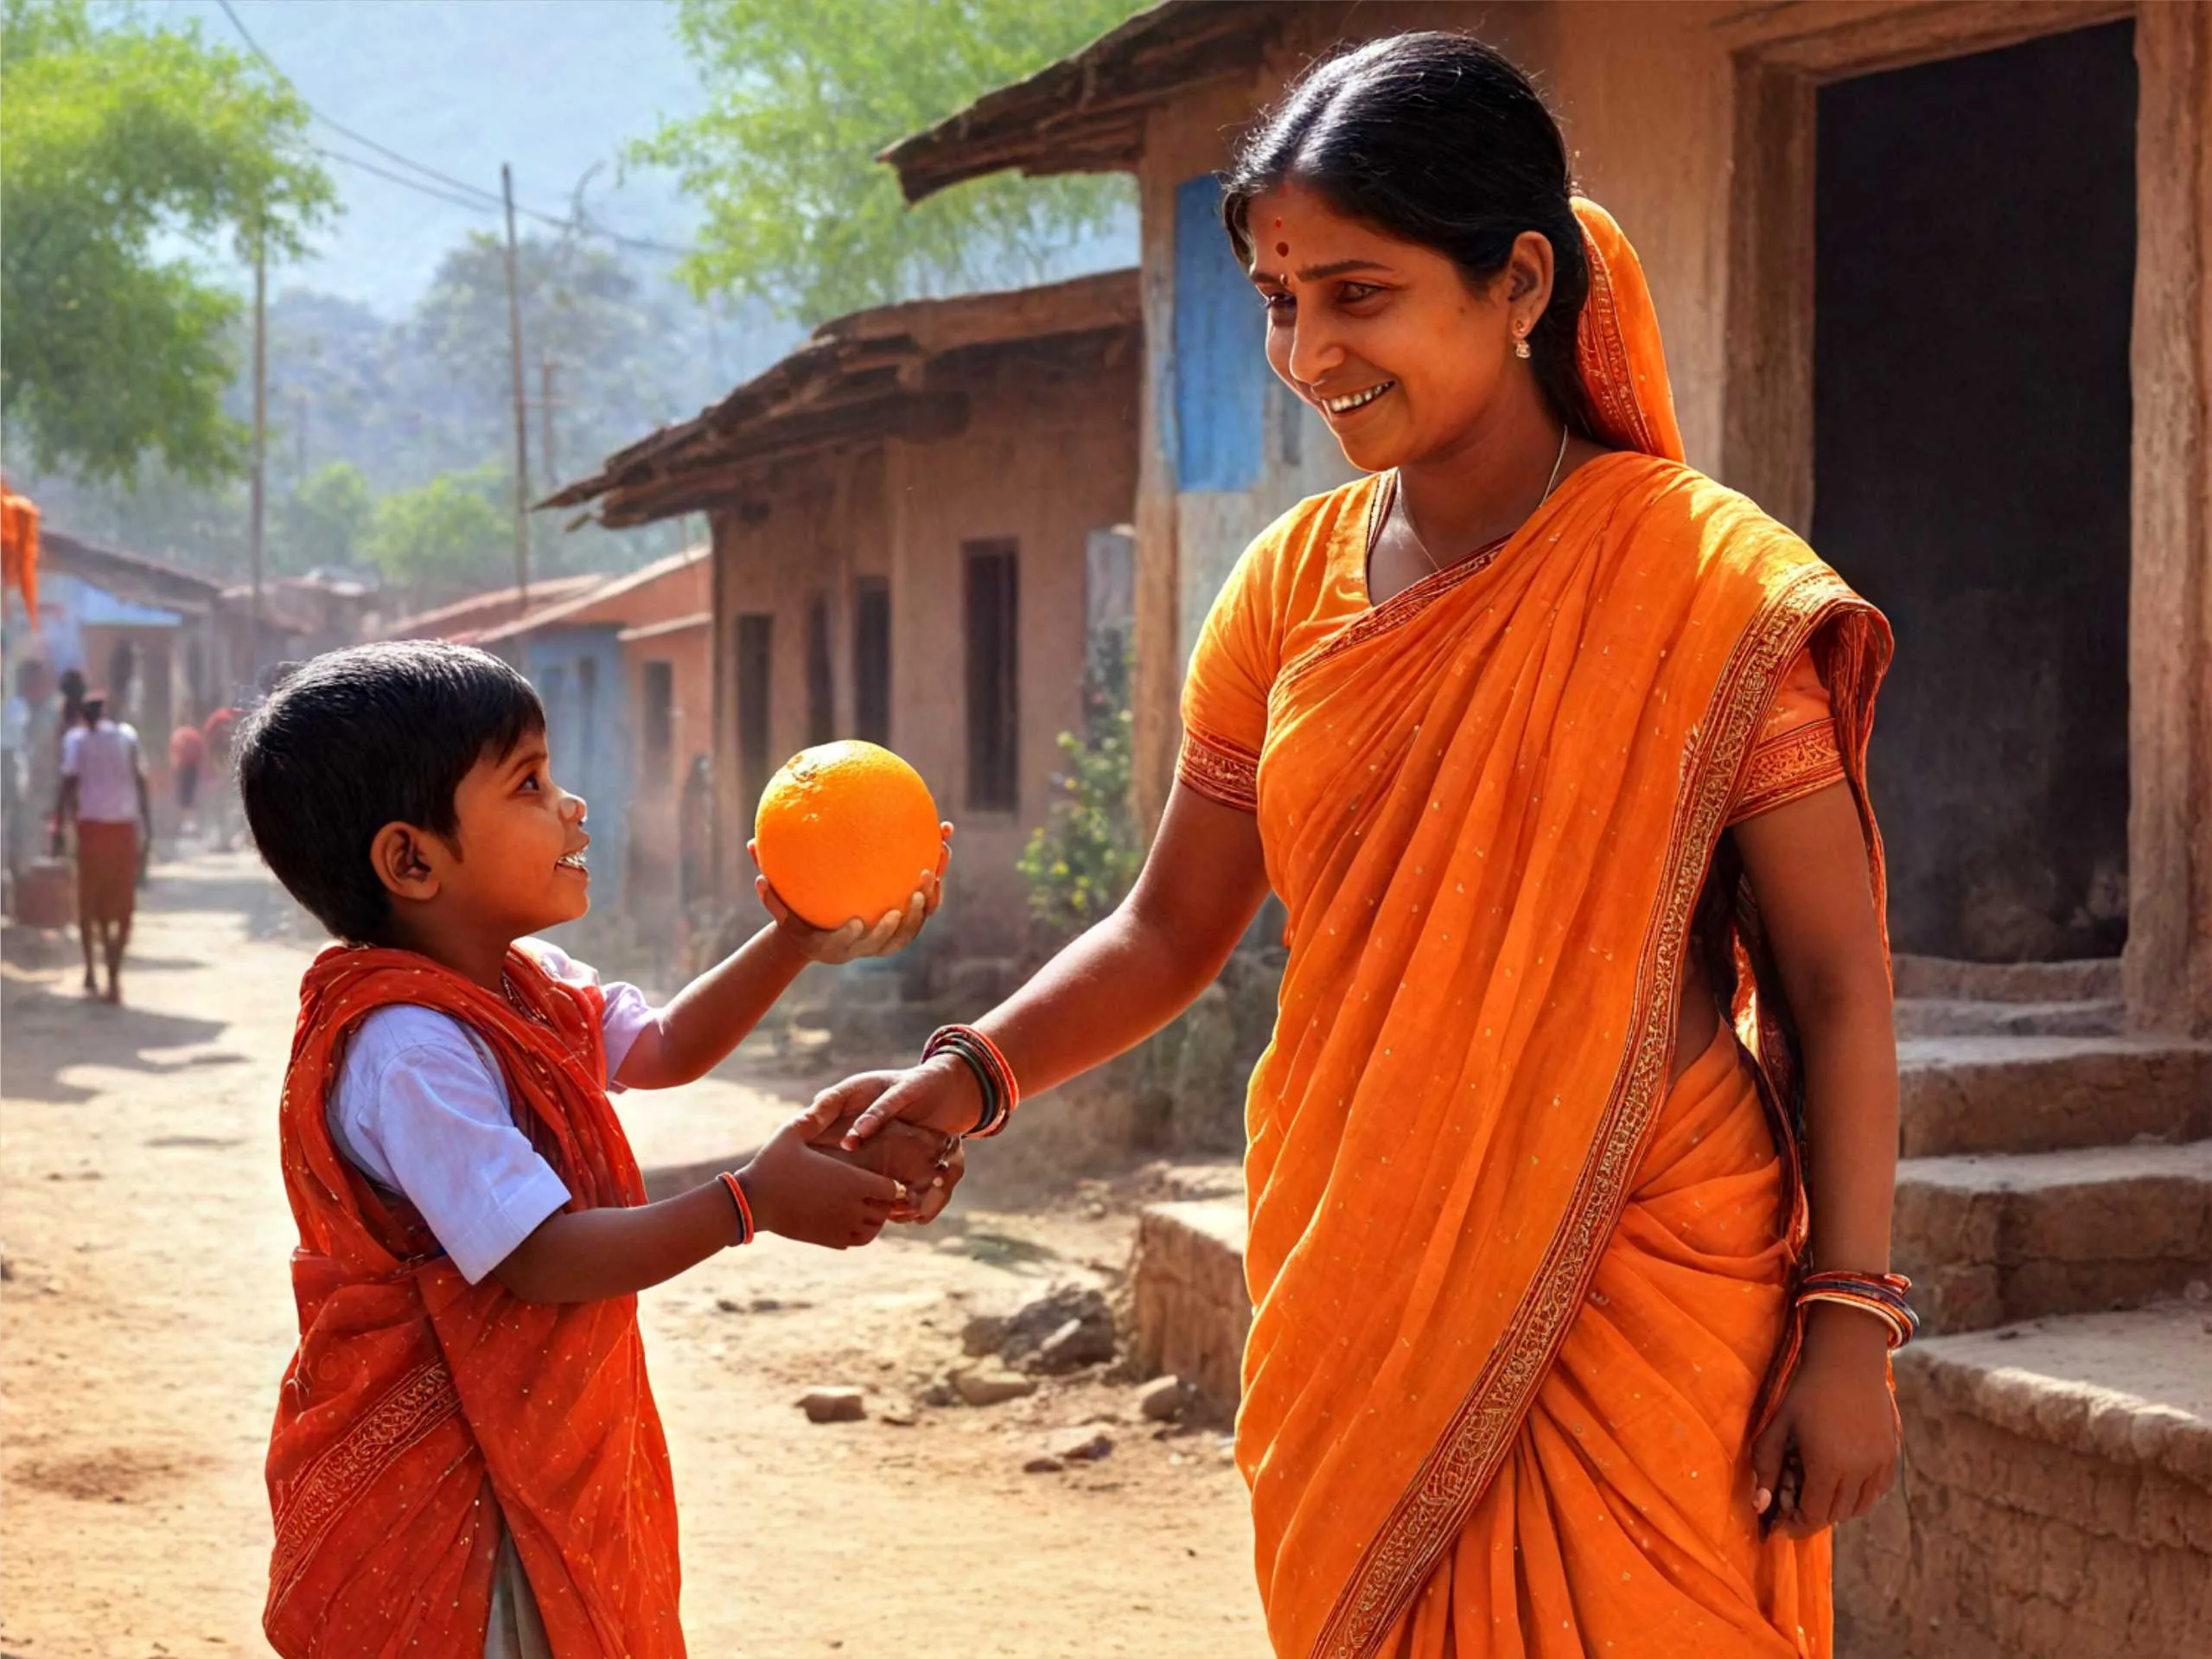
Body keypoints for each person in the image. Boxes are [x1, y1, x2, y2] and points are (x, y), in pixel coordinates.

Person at [824, 34, 1905, 1659]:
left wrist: (1848, 1321)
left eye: (1357, 292)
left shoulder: (1704, 587)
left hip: (1651, 1280)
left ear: (1517, 278)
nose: (1307, 347)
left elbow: (1831, 980)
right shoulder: (1284, 590)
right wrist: (971, 1072)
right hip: (1364, 1271)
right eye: (1277, 299)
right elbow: (1167, 928)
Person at [237, 641, 959, 1657]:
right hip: (451, 1494)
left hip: (526, 1452)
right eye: (529, 783)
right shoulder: (409, 1048)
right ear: (412, 859)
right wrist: (746, 1203)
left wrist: (795, 933)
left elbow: (663, 1046)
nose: (572, 804)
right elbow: (537, 1256)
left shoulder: (523, 982)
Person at [54, 689, 150, 1003]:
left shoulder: (76, 740)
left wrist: (58, 825)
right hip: (123, 830)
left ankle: (91, 971)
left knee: (88, 901)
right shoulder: (127, 737)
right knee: (121, 905)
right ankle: (114, 976)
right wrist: (147, 827)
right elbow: (141, 781)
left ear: (83, 714)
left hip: (91, 831)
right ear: (106, 711)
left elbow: (68, 784)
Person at [169, 719, 206, 835]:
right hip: (192, 768)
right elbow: (201, 750)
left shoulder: (178, 734)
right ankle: (190, 824)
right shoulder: (194, 734)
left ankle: (185, 824)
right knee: (191, 795)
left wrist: (174, 767)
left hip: (182, 769)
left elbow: (173, 752)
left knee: (183, 797)